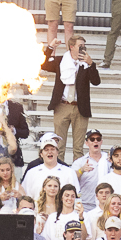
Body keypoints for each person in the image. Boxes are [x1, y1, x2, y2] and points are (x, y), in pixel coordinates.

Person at [41, 34, 101, 162]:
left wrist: (91, 64)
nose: (83, 48)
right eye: (80, 46)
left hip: (80, 107)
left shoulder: (86, 64)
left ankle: (78, 172)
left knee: (78, 148)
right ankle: (59, 171)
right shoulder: (61, 61)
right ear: (72, 47)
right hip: (62, 105)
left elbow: (96, 81)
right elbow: (43, 64)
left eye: (84, 46)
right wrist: (50, 47)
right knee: (59, 145)